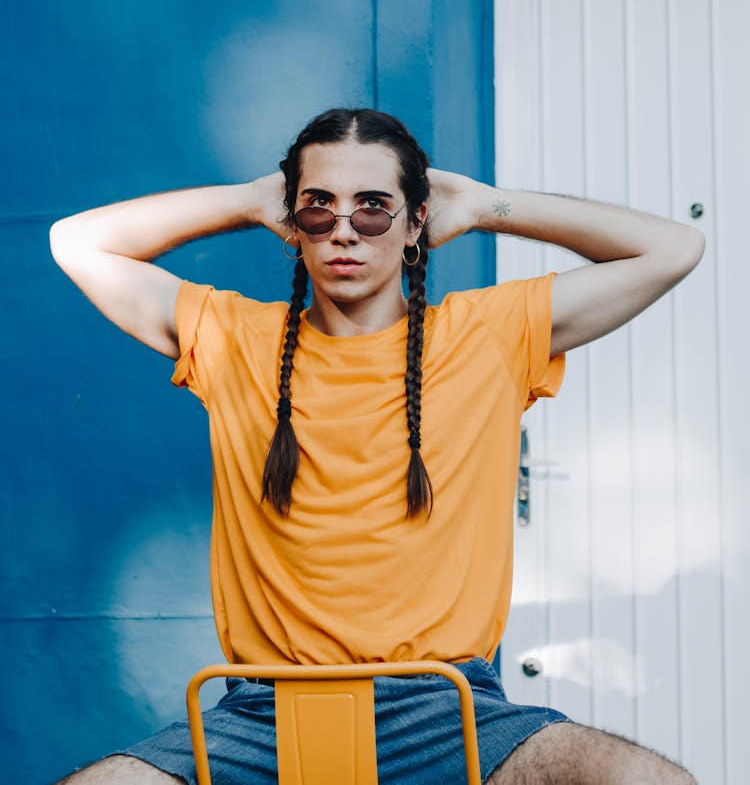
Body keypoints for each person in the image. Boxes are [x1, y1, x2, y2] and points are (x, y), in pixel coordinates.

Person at [49, 107, 704, 785]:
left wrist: (483, 206)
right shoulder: (232, 338)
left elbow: (673, 248)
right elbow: (77, 242)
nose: (344, 232)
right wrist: (249, 202)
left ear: (416, 221)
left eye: (372, 209)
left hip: (445, 709)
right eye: (318, 208)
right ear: (292, 222)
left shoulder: (491, 334)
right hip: (262, 713)